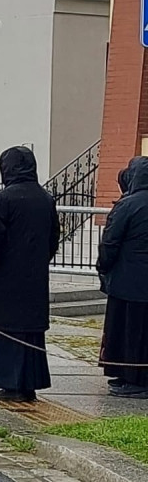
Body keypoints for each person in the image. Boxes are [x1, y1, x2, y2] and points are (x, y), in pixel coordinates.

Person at [0, 146, 60, 402]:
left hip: (5, 278)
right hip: (34, 276)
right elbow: (53, 238)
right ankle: (28, 384)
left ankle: (11, 384)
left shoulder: (6, 199)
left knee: (7, 328)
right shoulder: (45, 198)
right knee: (29, 329)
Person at [97, 156, 148, 398]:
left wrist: (103, 267)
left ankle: (133, 377)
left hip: (129, 282)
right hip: (137, 281)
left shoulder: (128, 205)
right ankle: (131, 376)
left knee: (127, 331)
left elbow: (110, 241)